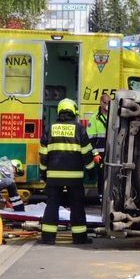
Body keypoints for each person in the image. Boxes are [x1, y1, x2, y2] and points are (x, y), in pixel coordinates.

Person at [39, 98, 96, 245]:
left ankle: (48, 238)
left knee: (52, 205)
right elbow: (86, 153)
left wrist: (43, 172)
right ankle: (79, 238)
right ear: (74, 112)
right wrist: (90, 171)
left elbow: (43, 154)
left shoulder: (49, 128)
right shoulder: (79, 129)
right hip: (75, 177)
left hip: (53, 176)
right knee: (77, 206)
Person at [86, 93, 110, 200]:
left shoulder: (113, 116)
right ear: (100, 102)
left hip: (112, 151)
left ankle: (109, 196)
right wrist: (95, 154)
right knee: (102, 175)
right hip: (100, 153)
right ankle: (101, 196)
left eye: (109, 103)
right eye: (105, 103)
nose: (107, 105)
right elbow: (90, 138)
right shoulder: (94, 118)